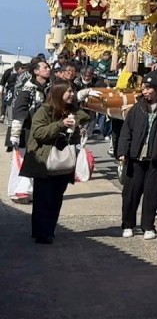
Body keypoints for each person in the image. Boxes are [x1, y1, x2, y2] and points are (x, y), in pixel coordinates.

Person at [22, 79, 91, 244]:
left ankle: (49, 230)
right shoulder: (44, 110)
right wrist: (60, 124)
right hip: (44, 160)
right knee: (43, 198)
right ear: (58, 93)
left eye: (72, 91)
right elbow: (38, 132)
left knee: (56, 197)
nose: (71, 94)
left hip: (63, 162)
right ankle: (41, 233)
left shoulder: (71, 111)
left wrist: (76, 118)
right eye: (68, 91)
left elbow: (85, 117)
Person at [118, 70, 157, 239]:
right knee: (131, 193)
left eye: (149, 88)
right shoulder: (137, 108)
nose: (145, 91)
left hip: (156, 158)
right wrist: (122, 151)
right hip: (135, 157)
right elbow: (126, 131)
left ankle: (148, 226)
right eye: (144, 87)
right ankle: (128, 224)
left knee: (152, 193)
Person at [8, 58, 52, 203]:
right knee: (22, 161)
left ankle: (27, 191)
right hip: (25, 131)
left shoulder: (48, 88)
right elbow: (19, 111)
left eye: (48, 67)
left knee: (34, 161)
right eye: (44, 67)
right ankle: (20, 192)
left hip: (40, 131)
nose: (48, 69)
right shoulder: (27, 89)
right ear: (36, 71)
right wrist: (15, 134)